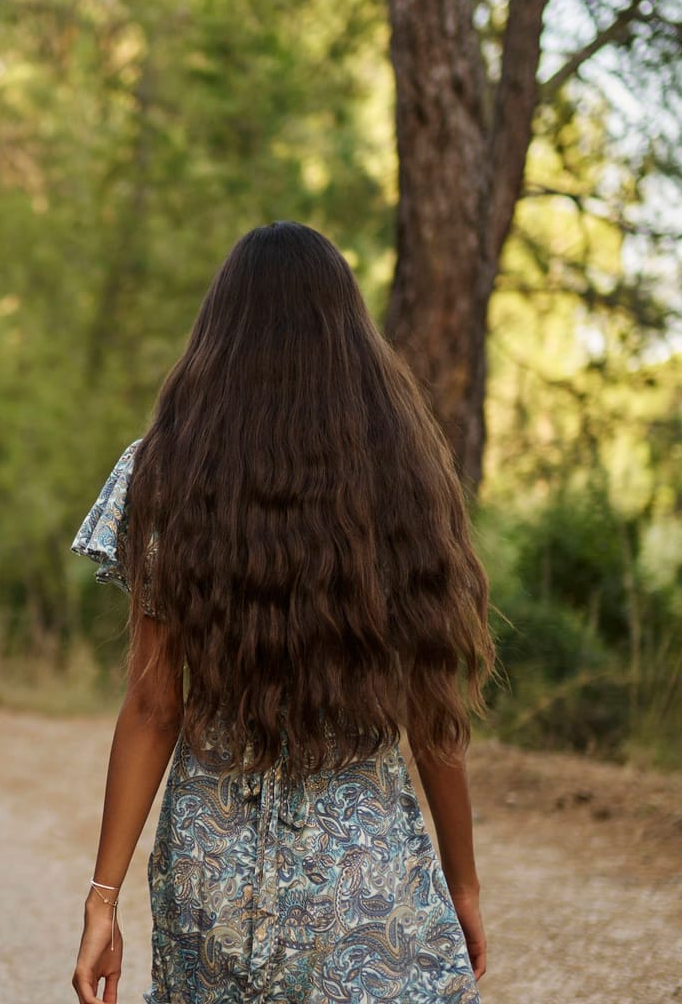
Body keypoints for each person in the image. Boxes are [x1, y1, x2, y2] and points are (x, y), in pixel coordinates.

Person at [68, 223, 492, 1004]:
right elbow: (432, 707)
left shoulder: (163, 472)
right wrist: (461, 888)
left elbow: (155, 703)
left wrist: (103, 898)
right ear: (348, 335)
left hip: (212, 880)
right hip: (367, 882)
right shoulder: (403, 472)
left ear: (220, 333)